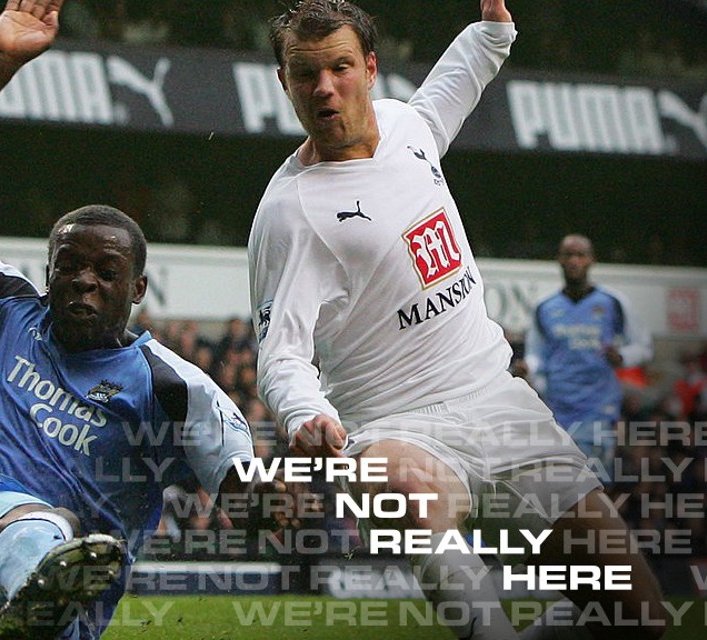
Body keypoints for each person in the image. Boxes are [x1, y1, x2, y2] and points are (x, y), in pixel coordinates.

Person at [0, 2, 282, 639]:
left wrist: (298, 474)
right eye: (69, 266)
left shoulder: (174, 390)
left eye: (105, 272)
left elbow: (254, 512)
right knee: (44, 524)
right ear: (50, 270)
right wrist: (2, 59)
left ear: (138, 289)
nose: (83, 280)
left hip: (44, 617)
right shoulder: (2, 308)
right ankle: (37, 579)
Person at [248, 2, 666, 639]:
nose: (324, 89)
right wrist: (304, 414)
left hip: (500, 401)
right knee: (406, 492)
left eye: (339, 68)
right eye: (305, 75)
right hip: (396, 426)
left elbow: (455, 83)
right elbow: (281, 354)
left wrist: (493, 28)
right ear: (284, 82)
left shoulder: (405, 126)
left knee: (636, 621)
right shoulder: (288, 214)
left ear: (369, 67)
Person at [521, 234, 653, 473]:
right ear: (559, 260)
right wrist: (527, 368)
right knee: (561, 485)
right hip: (557, 406)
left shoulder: (613, 302)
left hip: (598, 406)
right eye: (568, 255)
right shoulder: (545, 307)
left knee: (594, 482)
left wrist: (621, 357)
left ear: (592, 260)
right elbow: (536, 355)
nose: (574, 261)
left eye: (580, 255)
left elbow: (643, 347)